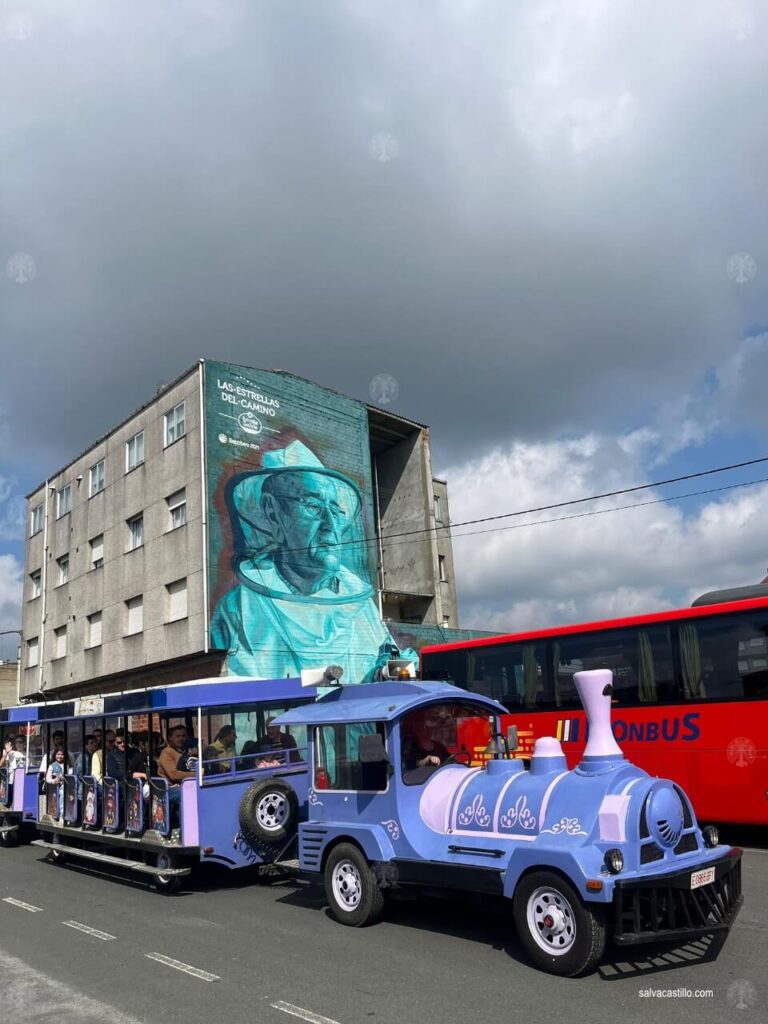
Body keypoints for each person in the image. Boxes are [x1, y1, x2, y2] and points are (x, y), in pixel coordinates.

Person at [210, 441, 416, 681]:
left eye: (336, 511)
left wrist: (405, 667)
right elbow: (249, 697)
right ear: (273, 513)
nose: (330, 525)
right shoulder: (240, 608)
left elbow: (391, 670)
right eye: (313, 505)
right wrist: (327, 680)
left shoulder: (361, 605)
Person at [157, 725, 196, 821]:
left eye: (183, 736)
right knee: (185, 796)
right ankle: (183, 830)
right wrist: (197, 774)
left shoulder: (187, 751)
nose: (181, 739)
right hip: (169, 789)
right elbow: (173, 775)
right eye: (178, 736)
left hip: (188, 785)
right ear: (170, 738)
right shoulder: (167, 752)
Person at [45, 748, 66, 818]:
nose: (60, 756)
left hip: (67, 786)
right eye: (58, 754)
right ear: (55, 755)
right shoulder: (52, 766)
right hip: (57, 787)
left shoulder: (67, 765)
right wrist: (54, 781)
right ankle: (62, 814)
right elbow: (47, 778)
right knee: (62, 793)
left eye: (62, 754)